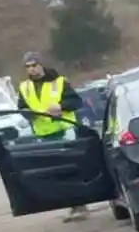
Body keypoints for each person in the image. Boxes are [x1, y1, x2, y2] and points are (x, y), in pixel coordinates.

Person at [16, 52, 90, 220]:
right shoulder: (24, 87)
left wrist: (61, 106)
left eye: (34, 65)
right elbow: (21, 107)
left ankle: (81, 204)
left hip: (65, 130)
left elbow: (76, 102)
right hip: (44, 135)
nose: (31, 69)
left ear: (41, 65)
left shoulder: (59, 82)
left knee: (71, 168)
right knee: (57, 172)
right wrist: (27, 114)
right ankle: (73, 205)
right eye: (28, 67)